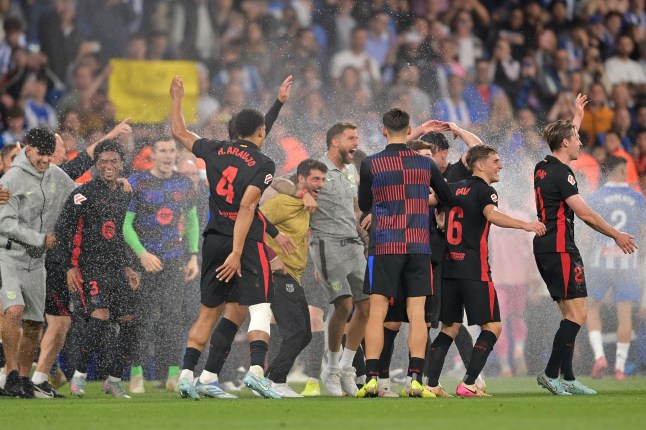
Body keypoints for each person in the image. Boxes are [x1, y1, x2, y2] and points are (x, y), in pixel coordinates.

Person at [169, 76, 289, 400]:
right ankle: (256, 372)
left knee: (221, 312)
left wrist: (177, 99)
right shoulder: (264, 163)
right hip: (243, 243)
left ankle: (193, 377)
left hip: (213, 239)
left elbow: (179, 132)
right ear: (261, 132)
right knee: (260, 307)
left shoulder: (214, 149)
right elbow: (248, 207)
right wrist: (237, 252)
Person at [534, 94, 637, 396]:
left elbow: (562, 140)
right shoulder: (563, 173)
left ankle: (567, 377)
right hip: (561, 248)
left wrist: (577, 116)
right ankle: (551, 374)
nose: (581, 142)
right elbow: (585, 214)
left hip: (545, 247)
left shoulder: (543, 165)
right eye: (576, 138)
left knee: (570, 314)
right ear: (566, 143)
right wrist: (616, 234)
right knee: (578, 314)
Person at [424, 144, 545, 397]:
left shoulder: (452, 188)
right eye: (495, 161)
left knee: (450, 327)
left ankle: (431, 383)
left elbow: (427, 201)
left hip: (448, 268)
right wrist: (525, 225)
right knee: (493, 327)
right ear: (480, 165)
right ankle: (469, 383)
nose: (501, 165)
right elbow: (492, 215)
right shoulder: (486, 191)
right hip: (474, 270)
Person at [356, 109, 452, 398]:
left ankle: (372, 379)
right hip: (418, 245)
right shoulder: (425, 164)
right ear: (409, 130)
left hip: (384, 246)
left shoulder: (371, 163)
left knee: (377, 312)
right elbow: (446, 197)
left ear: (383, 130)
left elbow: (365, 203)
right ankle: (416, 380)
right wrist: (423, 200)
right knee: (417, 313)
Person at [60, 140, 141, 398]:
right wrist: (69, 267)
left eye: (113, 161)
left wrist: (128, 266)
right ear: (95, 164)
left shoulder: (124, 193)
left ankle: (114, 380)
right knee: (99, 318)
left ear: (121, 164)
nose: (108, 166)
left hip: (117, 268)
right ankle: (79, 377)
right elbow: (64, 231)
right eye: (103, 161)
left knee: (130, 323)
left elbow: (119, 235)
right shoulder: (82, 194)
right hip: (90, 267)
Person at [0, 128, 76, 398]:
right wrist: (41, 239)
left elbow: (77, 196)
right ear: (29, 150)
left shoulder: (55, 174)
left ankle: (23, 379)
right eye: (40, 155)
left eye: (49, 155)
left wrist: (101, 188)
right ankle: (9, 373)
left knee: (34, 322)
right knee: (14, 311)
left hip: (37, 261)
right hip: (9, 256)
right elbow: (4, 223)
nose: (45, 160)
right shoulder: (11, 179)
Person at [123, 137, 200, 394]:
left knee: (173, 318)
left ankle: (173, 374)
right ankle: (136, 374)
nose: (167, 155)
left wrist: (192, 255)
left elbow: (191, 220)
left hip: (174, 257)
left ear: (177, 154)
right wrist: (142, 254)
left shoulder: (184, 183)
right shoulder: (137, 182)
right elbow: (126, 225)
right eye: (162, 151)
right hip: (144, 260)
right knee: (142, 317)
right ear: (153, 155)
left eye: (171, 151)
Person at [260, 158, 327, 397]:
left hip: (294, 275)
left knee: (305, 333)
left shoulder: (307, 204)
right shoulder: (281, 202)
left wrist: (305, 195)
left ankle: (268, 379)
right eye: (315, 179)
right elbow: (252, 224)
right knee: (296, 332)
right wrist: (271, 258)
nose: (320, 184)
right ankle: (275, 381)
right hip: (277, 273)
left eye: (322, 179)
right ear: (301, 179)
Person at [585, 156, 646, 380]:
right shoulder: (637, 197)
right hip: (627, 262)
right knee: (625, 314)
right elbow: (643, 230)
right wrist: (640, 258)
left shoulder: (596, 196)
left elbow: (587, 231)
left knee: (591, 307)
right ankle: (619, 367)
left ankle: (599, 357)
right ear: (621, 171)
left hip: (599, 261)